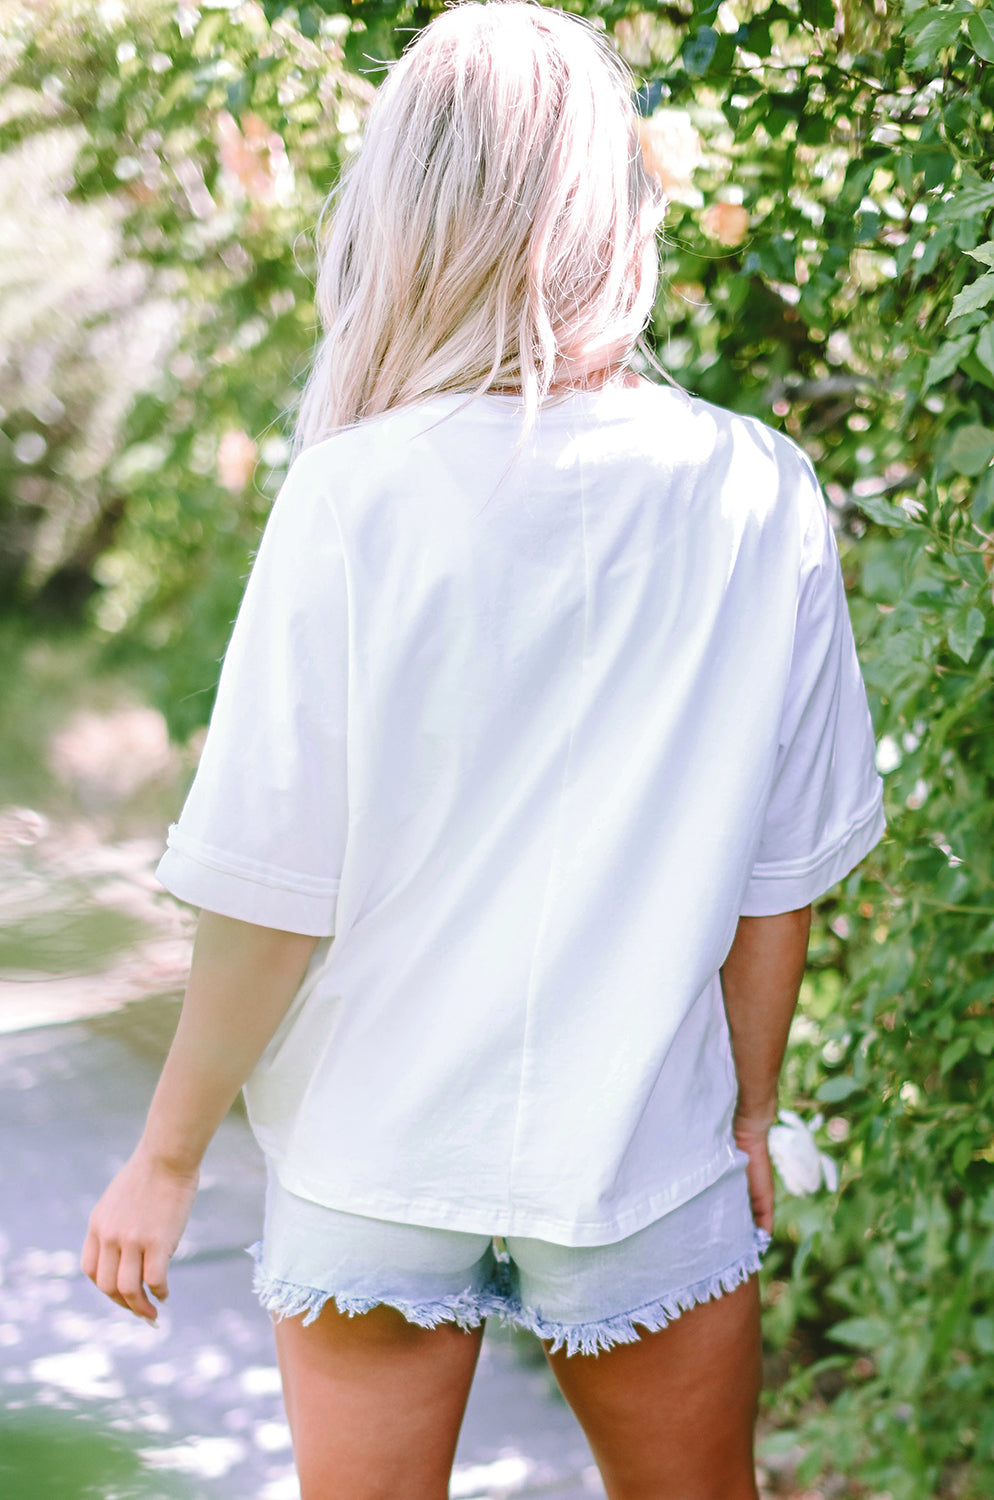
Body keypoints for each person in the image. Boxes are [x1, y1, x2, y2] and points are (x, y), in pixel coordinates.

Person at [81, 3, 885, 1497]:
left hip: (375, 1149)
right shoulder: (754, 486)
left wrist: (168, 1154)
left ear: (409, 211)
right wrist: (752, 1118)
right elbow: (779, 880)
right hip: (642, 1148)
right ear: (610, 204)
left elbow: (268, 888)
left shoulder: (350, 496)